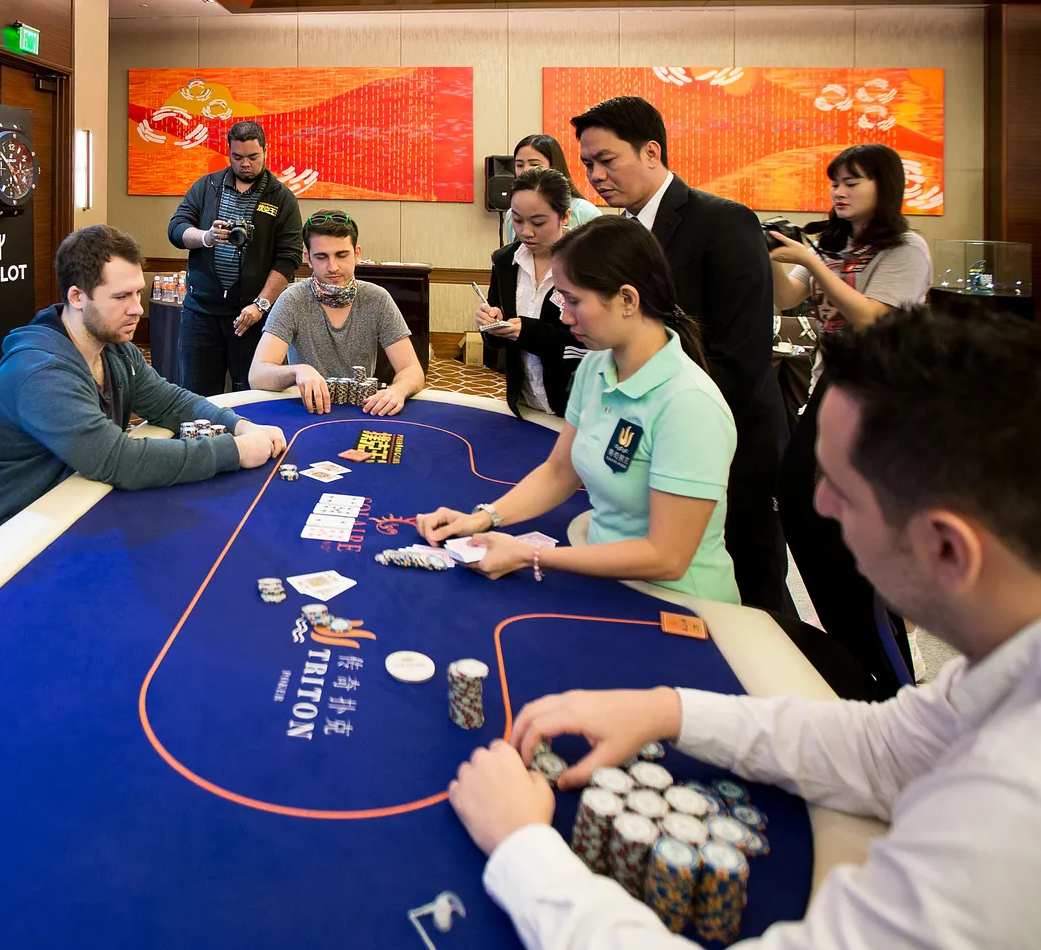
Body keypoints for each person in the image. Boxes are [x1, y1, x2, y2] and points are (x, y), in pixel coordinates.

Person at [447, 302, 1041, 950]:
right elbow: (889, 749)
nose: (819, 504)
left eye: (842, 489)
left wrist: (522, 847)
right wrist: (667, 710)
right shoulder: (1007, 662)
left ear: (948, 549)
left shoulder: (1011, 814)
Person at [417, 216, 739, 604]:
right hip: (606, 580)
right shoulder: (595, 366)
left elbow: (667, 558)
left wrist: (530, 554)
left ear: (627, 299)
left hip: (681, 605)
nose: (565, 317)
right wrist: (482, 518)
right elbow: (559, 472)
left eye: (573, 301)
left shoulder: (689, 404)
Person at [572, 95, 789, 617]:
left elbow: (742, 356)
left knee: (750, 586)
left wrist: (676, 427)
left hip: (727, 438)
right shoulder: (621, 233)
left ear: (651, 152)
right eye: (588, 164)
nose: (596, 176)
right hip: (653, 440)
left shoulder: (724, 222)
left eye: (606, 160)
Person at [0, 225, 286, 548]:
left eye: (137, 293)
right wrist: (236, 451)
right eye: (121, 297)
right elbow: (118, 460)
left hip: (80, 505)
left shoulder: (115, 348)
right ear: (77, 297)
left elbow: (171, 403)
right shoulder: (39, 371)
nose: (137, 308)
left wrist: (240, 426)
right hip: (14, 542)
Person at [769, 143, 932, 699]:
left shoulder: (906, 249)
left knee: (856, 531)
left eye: (853, 182)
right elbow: (789, 297)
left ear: (884, 186)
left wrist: (815, 262)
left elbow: (873, 319)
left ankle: (891, 667)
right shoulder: (835, 245)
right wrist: (773, 256)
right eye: (835, 182)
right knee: (801, 504)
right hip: (830, 388)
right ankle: (852, 654)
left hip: (879, 396)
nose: (839, 192)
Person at [166, 121, 303, 396]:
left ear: (265, 151)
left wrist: (260, 305)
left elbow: (289, 257)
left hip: (254, 316)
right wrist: (206, 237)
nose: (245, 164)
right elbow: (176, 229)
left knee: (254, 394)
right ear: (228, 152)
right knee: (197, 395)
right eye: (238, 157)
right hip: (202, 314)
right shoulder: (207, 186)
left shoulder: (281, 198)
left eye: (253, 157)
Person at [247, 210, 425, 416]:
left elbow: (411, 370)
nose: (333, 267)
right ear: (308, 258)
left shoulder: (377, 298)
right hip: (306, 410)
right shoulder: (292, 300)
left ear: (357, 254)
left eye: (341, 255)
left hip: (361, 409)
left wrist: (398, 390)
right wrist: (298, 370)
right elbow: (257, 375)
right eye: (321, 257)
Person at [476, 167, 585, 417]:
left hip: (575, 406)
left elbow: (592, 346)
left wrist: (526, 332)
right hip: (523, 402)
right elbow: (496, 343)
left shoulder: (587, 264)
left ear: (565, 216)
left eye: (538, 222)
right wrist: (490, 325)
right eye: (517, 220)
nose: (526, 231)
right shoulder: (505, 261)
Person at [498, 133, 602, 247]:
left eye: (534, 164)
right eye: (519, 165)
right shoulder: (511, 214)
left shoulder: (584, 212)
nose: (525, 170)